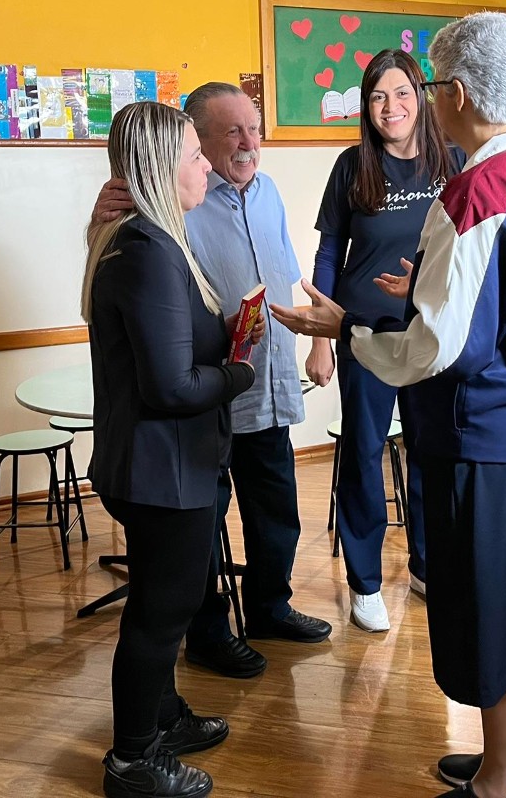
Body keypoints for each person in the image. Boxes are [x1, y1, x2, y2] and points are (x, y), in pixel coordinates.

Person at [272, 11, 506, 798]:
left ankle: (500, 783)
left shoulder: (475, 191)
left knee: (492, 615)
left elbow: (436, 349)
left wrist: (349, 329)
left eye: (432, 87)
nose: (427, 101)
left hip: (482, 435)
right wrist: (432, 287)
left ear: (458, 94)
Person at [92, 82, 332, 680]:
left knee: (276, 514)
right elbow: (128, 289)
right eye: (231, 133)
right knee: (199, 531)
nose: (250, 143)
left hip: (263, 386)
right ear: (194, 141)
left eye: (255, 128)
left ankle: (270, 608)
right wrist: (98, 222)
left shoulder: (269, 192)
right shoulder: (168, 205)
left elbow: (291, 278)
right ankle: (207, 633)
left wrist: (320, 340)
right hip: (204, 400)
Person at [83, 101, 267, 798]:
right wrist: (239, 372)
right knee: (160, 615)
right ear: (165, 167)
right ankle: (133, 761)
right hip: (162, 471)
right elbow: (171, 386)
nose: (207, 168)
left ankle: (162, 718)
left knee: (165, 603)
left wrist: (230, 329)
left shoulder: (148, 240)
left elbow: (172, 347)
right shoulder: (149, 250)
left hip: (163, 466)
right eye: (195, 155)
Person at [306, 48, 464, 632]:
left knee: (431, 450)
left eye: (400, 93)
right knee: (363, 453)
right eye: (377, 97)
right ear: (365, 108)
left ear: (420, 97)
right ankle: (365, 583)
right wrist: (321, 339)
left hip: (429, 333)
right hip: (364, 334)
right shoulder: (352, 166)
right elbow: (330, 252)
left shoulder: (453, 160)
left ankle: (426, 564)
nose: (389, 107)